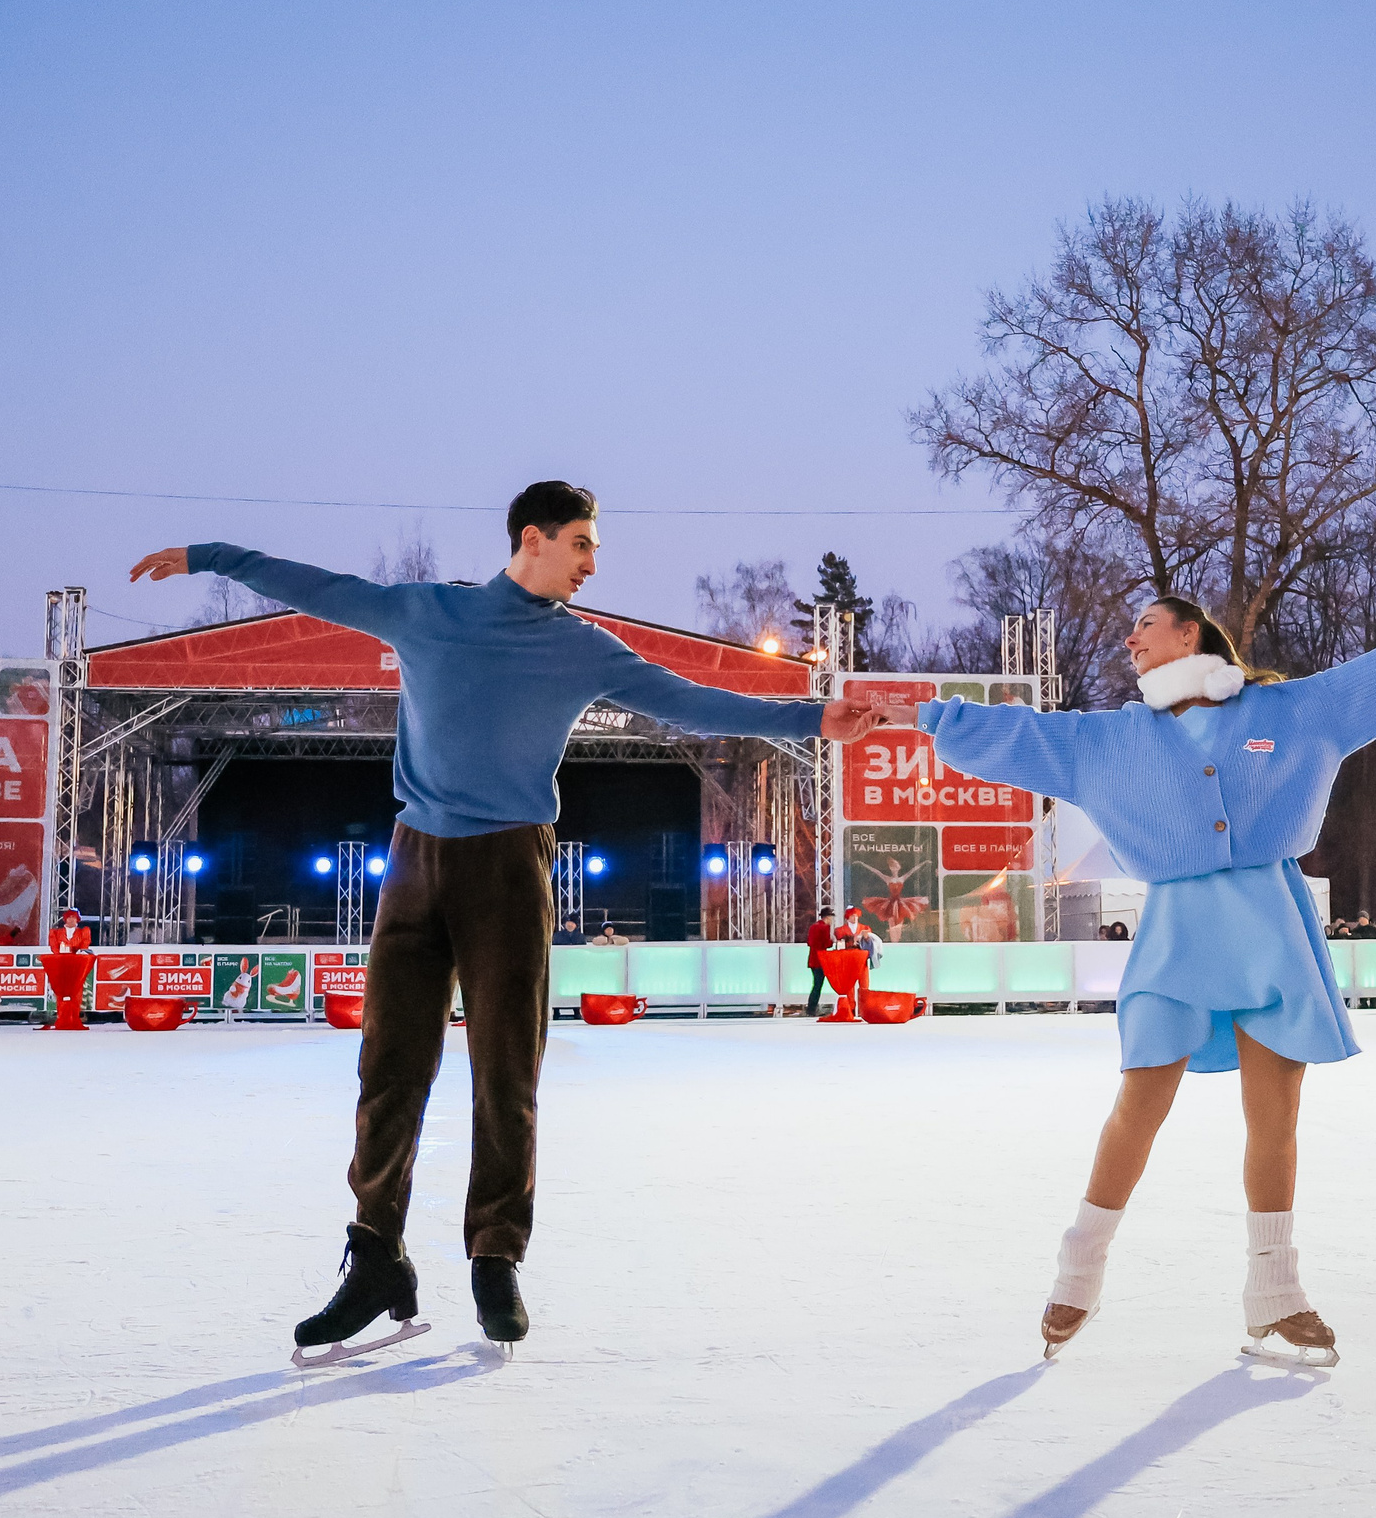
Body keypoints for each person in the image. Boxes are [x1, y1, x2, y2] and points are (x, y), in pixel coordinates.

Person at [132, 480, 883, 1359]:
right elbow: (316, 585)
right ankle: (376, 1255)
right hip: (413, 864)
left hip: (510, 868)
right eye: (581, 545)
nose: (592, 564)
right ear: (533, 538)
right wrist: (209, 557)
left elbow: (691, 700)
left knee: (505, 1073)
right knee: (388, 1069)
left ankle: (495, 1256)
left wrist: (813, 717)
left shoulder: (583, 648)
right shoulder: (427, 615)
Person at [869, 592, 1376, 1364]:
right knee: (1141, 1100)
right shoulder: (1113, 740)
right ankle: (1080, 1266)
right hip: (1178, 936)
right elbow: (1018, 732)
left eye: (1145, 627)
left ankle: (1276, 1291)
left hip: (1269, 927)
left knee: (1275, 1114)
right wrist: (920, 716)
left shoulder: (1288, 711)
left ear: (1189, 633)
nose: (1130, 639)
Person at [800, 912, 833, 1015]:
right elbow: (826, 943)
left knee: (816, 984)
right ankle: (812, 1008)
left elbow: (810, 942)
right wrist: (831, 942)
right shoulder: (825, 927)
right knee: (818, 985)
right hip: (820, 960)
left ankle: (811, 1008)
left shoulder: (813, 927)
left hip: (813, 959)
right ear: (827, 917)